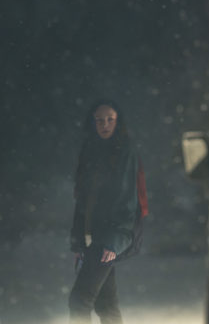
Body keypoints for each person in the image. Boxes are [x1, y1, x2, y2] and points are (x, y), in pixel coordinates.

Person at [68, 100, 139, 324]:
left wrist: (114, 241)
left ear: (118, 123)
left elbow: (127, 200)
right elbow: (82, 202)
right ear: (92, 123)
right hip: (91, 240)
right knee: (106, 305)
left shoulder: (125, 153)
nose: (105, 124)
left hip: (106, 239)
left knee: (79, 300)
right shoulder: (89, 152)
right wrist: (79, 243)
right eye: (99, 120)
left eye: (110, 119)